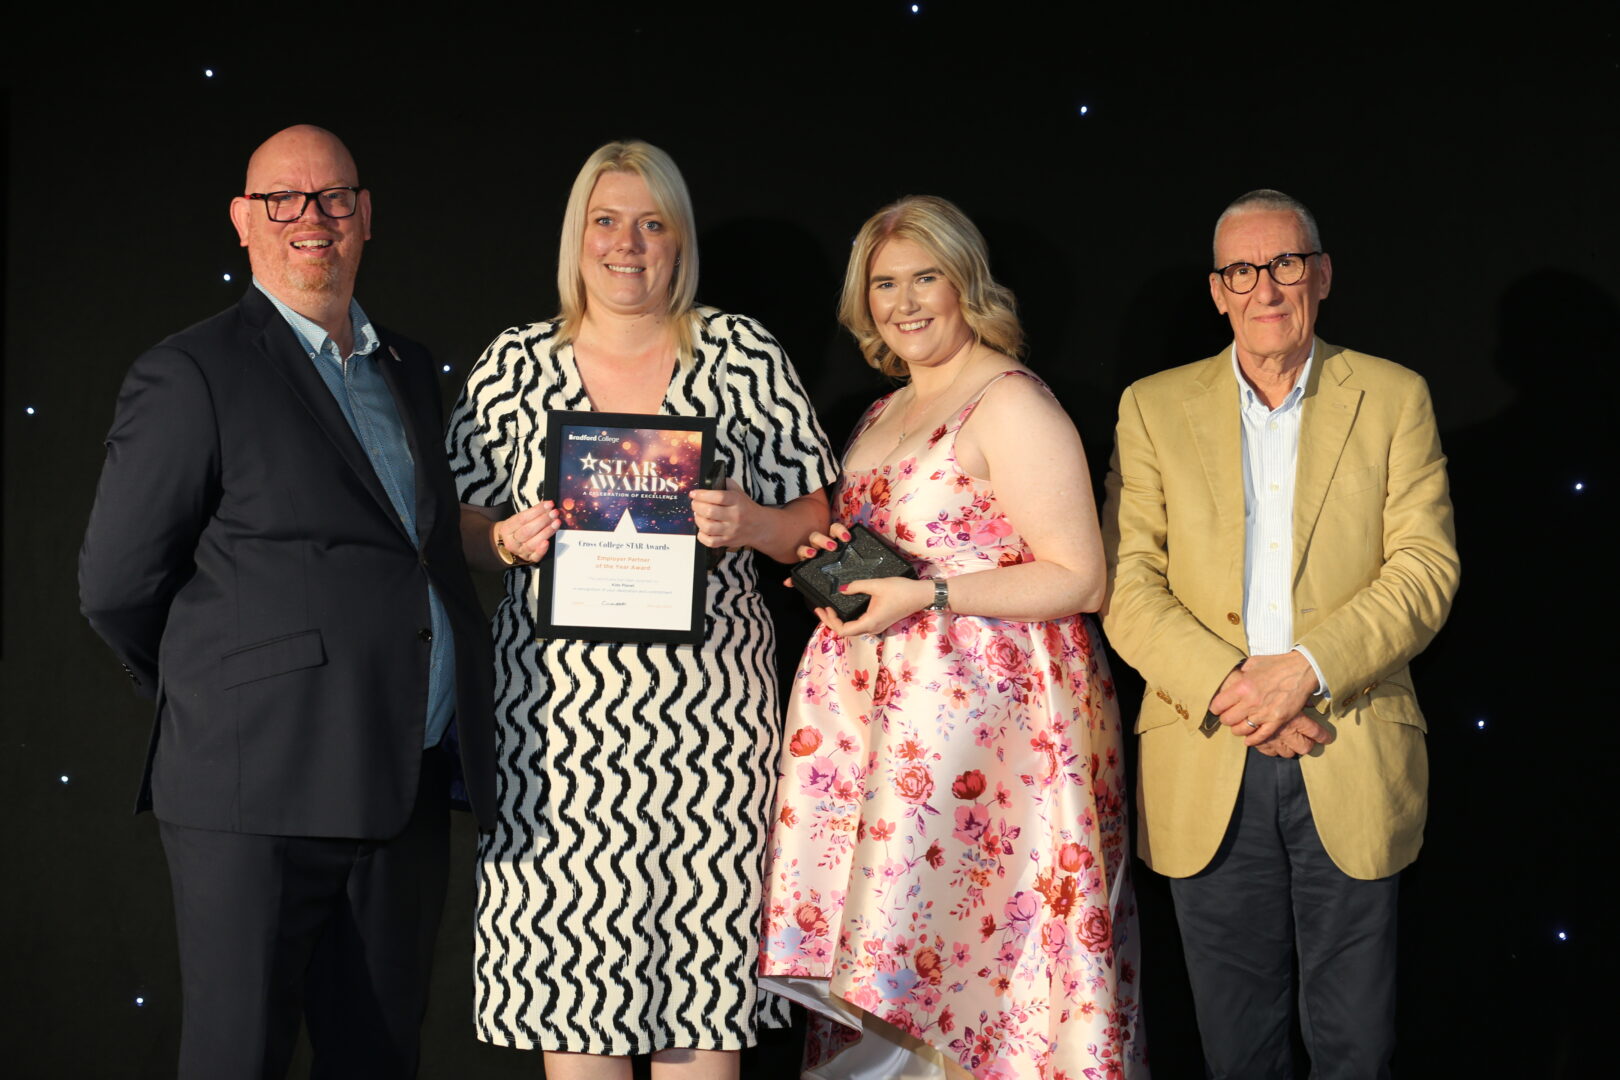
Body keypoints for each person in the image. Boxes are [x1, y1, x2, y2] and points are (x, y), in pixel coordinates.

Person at [78, 125, 495, 1078]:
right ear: (243, 221)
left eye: (335, 198)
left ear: (366, 216)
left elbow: (419, 556)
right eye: (284, 200)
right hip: (254, 789)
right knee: (239, 1059)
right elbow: (114, 586)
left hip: (402, 786)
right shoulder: (192, 372)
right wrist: (225, 696)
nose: (313, 219)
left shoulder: (411, 373)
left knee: (379, 1058)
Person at [445, 139, 836, 1080]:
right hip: (557, 737)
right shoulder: (514, 367)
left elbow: (815, 517)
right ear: (578, 236)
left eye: (653, 223)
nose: (629, 243)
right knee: (574, 1002)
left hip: (710, 734)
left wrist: (751, 521)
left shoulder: (738, 353)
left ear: (680, 241)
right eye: (607, 220)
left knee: (702, 1000)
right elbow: (453, 524)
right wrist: (503, 539)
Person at [760, 196, 1146, 1080]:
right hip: (885, 735)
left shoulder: (1008, 399)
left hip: (994, 747)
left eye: (924, 277)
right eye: (884, 283)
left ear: (965, 281)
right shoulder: (880, 412)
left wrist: (926, 593)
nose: (904, 302)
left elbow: (1079, 575)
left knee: (979, 968)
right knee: (894, 961)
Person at [1100, 189, 1460, 1078]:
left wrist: (1302, 673)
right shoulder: (1150, 407)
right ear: (1217, 291)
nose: (1266, 287)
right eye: (1242, 271)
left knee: (1356, 1046)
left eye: (1286, 264)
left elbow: (1425, 571)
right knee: (1236, 1049)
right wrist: (1242, 692)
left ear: (1322, 275)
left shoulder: (1394, 396)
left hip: (1350, 744)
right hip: (1208, 756)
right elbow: (1126, 585)